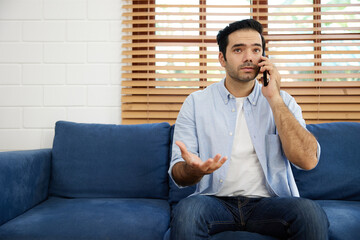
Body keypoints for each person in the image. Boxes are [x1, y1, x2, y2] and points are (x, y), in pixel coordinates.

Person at [168, 19, 329, 240]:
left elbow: (308, 160)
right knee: (188, 211)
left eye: (256, 49)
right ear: (222, 58)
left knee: (309, 213)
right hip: (214, 201)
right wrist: (194, 170)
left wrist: (274, 99)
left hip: (270, 204)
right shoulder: (196, 103)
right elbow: (179, 173)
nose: (249, 57)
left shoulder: (283, 101)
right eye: (238, 49)